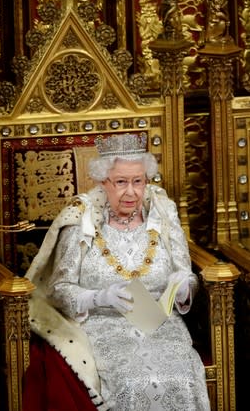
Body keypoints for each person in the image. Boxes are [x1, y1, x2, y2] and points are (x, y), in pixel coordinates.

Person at [24, 133, 211, 411]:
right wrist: (99, 298)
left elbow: (185, 273)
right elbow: (59, 289)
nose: (131, 192)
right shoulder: (81, 220)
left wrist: (184, 287)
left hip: (160, 324)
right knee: (131, 380)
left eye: (138, 181)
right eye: (121, 182)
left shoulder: (163, 213)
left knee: (178, 375)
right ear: (103, 182)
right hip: (103, 325)